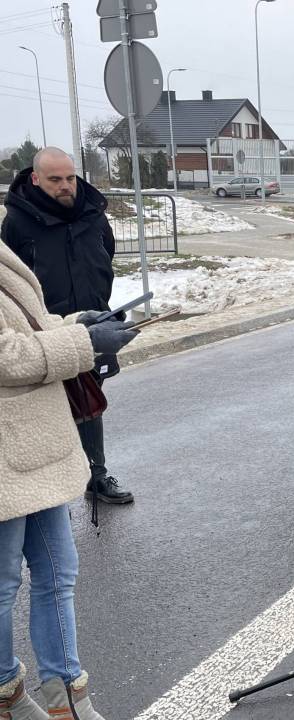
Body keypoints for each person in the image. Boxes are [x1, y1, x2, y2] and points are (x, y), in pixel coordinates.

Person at [1, 239, 137, 720]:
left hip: (34, 445)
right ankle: (6, 695)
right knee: (3, 585)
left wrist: (80, 323)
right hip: (6, 454)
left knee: (58, 573)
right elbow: (6, 353)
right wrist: (83, 343)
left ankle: (67, 701)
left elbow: (29, 325)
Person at [2, 147, 133, 506]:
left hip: (91, 325)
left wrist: (99, 308)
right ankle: (48, 489)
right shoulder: (17, 222)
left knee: (89, 401)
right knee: (48, 408)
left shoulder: (93, 214)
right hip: (44, 336)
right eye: (55, 179)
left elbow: (105, 256)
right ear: (35, 179)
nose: (65, 186)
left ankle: (97, 475)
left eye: (70, 178)